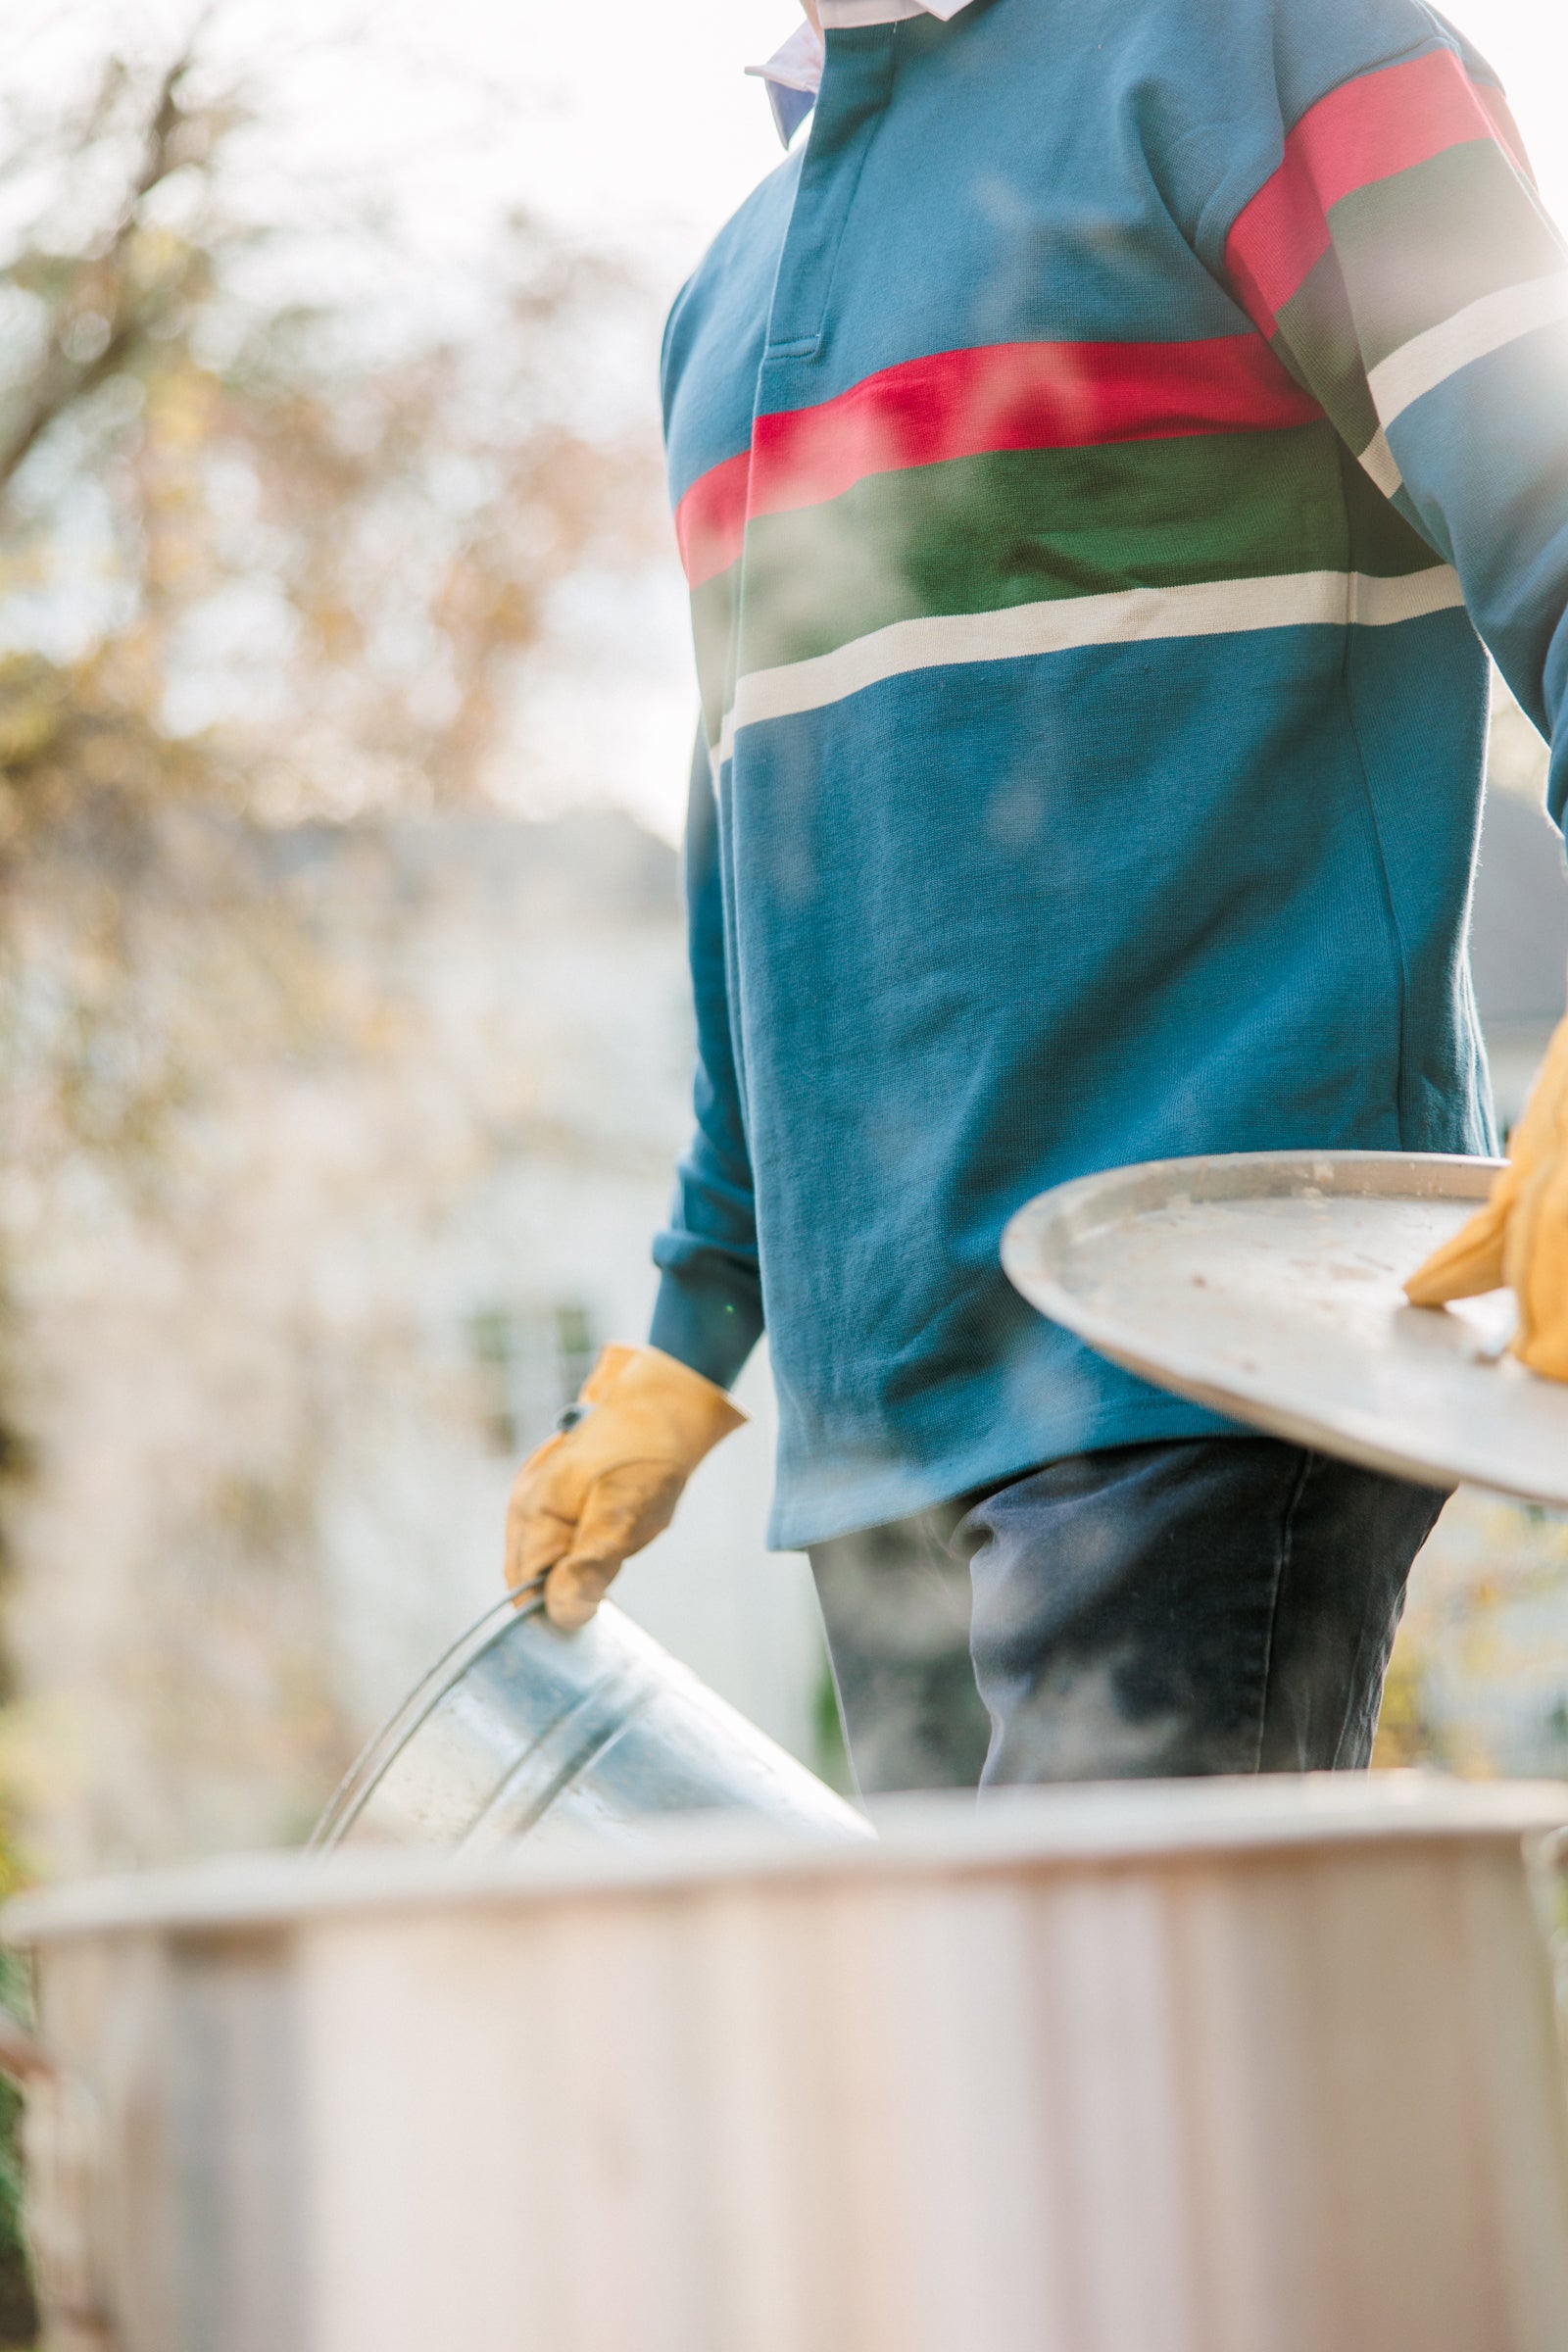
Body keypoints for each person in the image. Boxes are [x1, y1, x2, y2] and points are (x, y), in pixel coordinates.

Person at [505, 0, 1568, 1794]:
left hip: (1206, 1333)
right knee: (1010, 2077)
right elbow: (764, 854)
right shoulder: (722, 297)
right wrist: (693, 1331)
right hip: (879, 1429)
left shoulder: (1262, 45)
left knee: (1134, 2066)